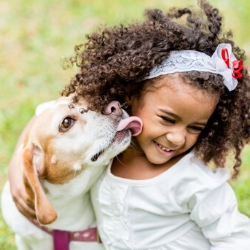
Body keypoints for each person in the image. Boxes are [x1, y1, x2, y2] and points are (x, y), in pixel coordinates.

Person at [8, 0, 250, 249]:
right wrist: (20, 165)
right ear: (129, 95)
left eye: (195, 128)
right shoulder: (111, 136)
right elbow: (50, 116)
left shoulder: (194, 182)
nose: (178, 138)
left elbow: (237, 238)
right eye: (167, 119)